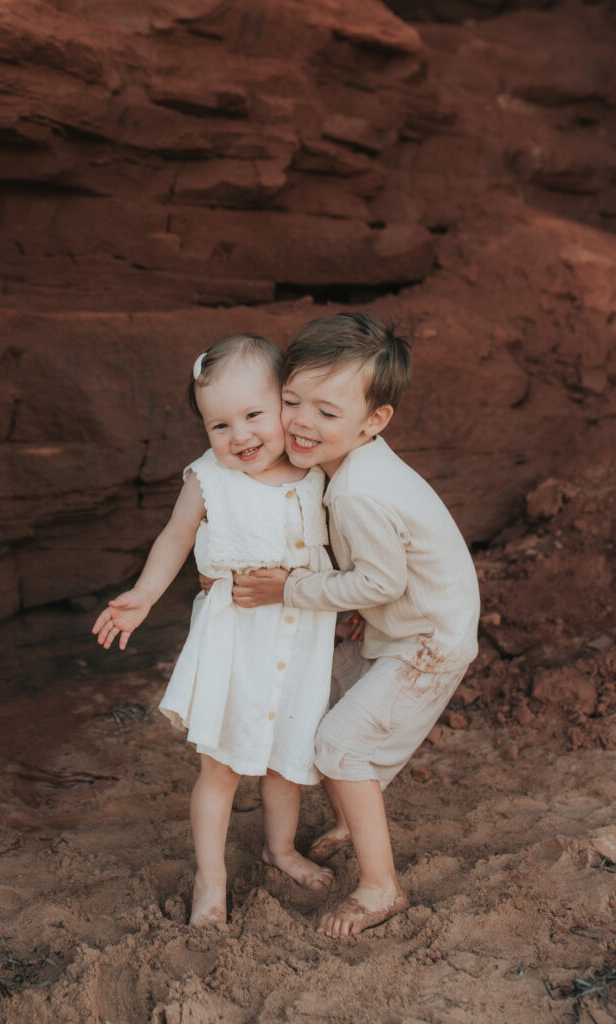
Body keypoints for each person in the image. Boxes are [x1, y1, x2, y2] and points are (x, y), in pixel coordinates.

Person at [230, 312, 480, 939]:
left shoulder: (356, 492)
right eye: (291, 401)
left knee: (341, 745)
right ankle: (350, 818)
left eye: (327, 412)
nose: (302, 423)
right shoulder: (354, 465)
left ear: (374, 421)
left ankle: (380, 888)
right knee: (324, 706)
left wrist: (288, 588)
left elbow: (380, 582)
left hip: (428, 641)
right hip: (407, 626)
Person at [92, 333, 336, 926]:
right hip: (236, 644)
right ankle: (210, 878)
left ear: (287, 403)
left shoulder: (316, 468)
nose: (240, 435)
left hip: (302, 637)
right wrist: (144, 596)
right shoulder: (209, 479)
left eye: (254, 414)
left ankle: (279, 850)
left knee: (286, 758)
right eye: (218, 425)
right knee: (221, 767)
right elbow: (175, 538)